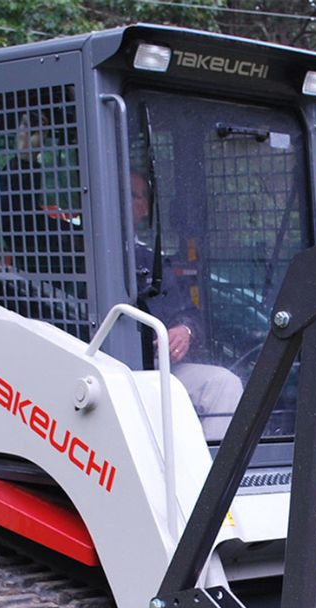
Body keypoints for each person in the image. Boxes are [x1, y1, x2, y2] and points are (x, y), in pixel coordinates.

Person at [130, 170, 242, 439]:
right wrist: (26, 159)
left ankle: (214, 478)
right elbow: (21, 223)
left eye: (143, 198)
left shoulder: (149, 259)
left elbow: (188, 313)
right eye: (134, 196)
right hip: (98, 372)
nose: (142, 205)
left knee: (223, 383)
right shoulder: (75, 247)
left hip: (154, 368)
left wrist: (185, 330)